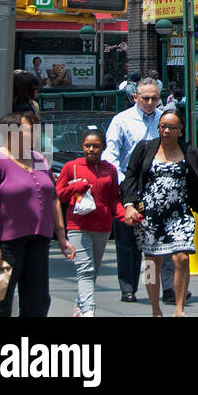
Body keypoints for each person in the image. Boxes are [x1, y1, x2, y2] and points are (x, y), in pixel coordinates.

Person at [0, 112, 75, 317]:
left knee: (37, 301)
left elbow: (53, 198)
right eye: (30, 129)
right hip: (5, 243)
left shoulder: (39, 159)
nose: (36, 133)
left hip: (38, 240)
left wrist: (62, 237)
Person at [120, 109, 198, 317]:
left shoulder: (189, 153)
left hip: (180, 214)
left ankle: (179, 308)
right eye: (163, 127)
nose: (167, 131)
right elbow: (131, 177)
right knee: (152, 263)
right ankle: (155, 309)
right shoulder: (145, 148)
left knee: (182, 258)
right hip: (151, 216)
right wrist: (129, 205)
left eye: (172, 127)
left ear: (180, 130)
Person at [56, 127, 139, 316]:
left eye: (95, 146)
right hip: (78, 226)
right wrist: (76, 187)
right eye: (87, 146)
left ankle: (80, 304)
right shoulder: (71, 167)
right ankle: (88, 310)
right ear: (82, 146)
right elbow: (58, 195)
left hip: (102, 227)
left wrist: (126, 216)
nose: (91, 150)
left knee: (92, 270)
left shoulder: (110, 169)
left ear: (103, 147)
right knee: (85, 269)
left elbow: (113, 200)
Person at [105, 77, 168, 303]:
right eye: (146, 98)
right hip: (128, 186)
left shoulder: (164, 119)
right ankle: (128, 288)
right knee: (127, 243)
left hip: (158, 187)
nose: (150, 102)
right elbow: (110, 156)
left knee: (156, 243)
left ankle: (161, 288)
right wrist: (124, 184)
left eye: (155, 98)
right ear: (135, 98)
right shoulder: (121, 121)